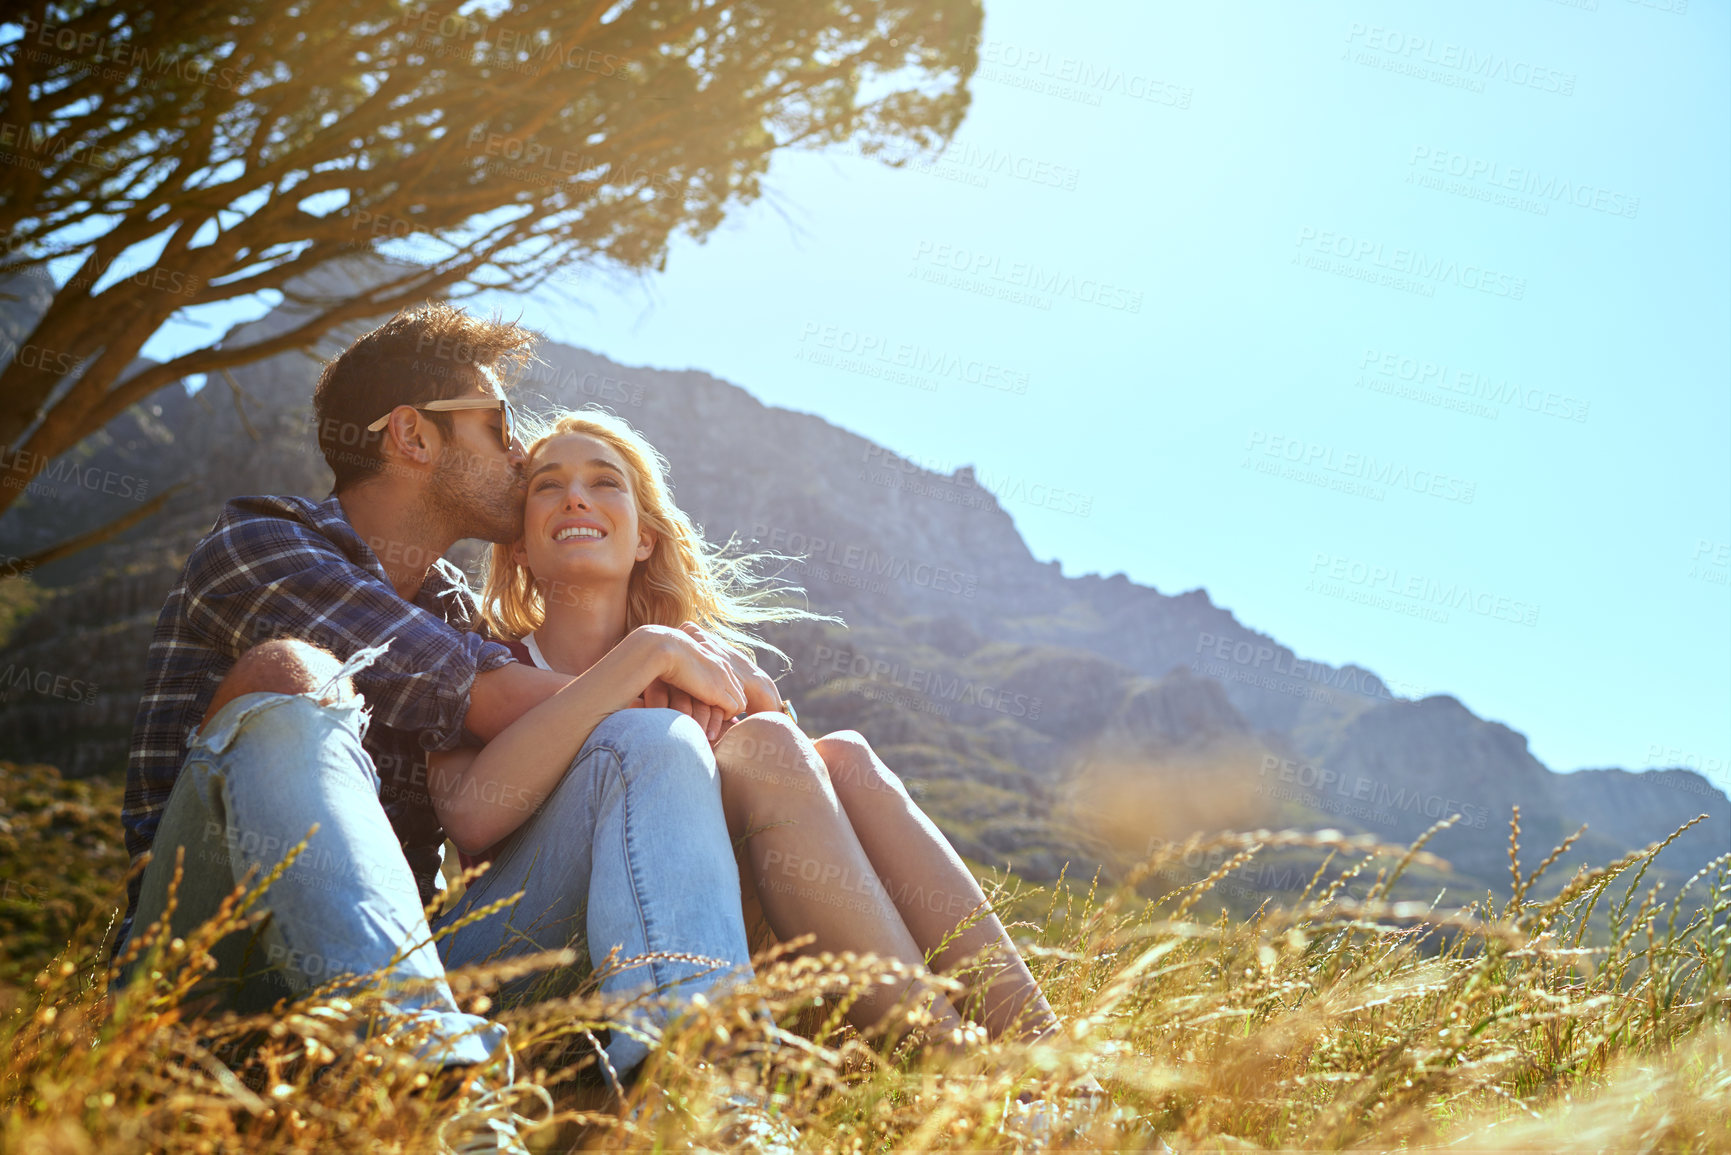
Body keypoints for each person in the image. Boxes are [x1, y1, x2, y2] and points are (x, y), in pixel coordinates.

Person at [111, 305, 769, 1152]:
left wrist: (671, 700)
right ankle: (436, 1098)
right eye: (497, 425)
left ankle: (706, 1097)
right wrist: (653, 660)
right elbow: (488, 697)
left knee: (647, 742)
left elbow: (560, 715)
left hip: (411, 966)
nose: (521, 451)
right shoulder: (263, 542)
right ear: (413, 438)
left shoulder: (456, 610)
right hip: (207, 972)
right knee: (291, 674)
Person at [445, 408, 1069, 1058]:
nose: (575, 494)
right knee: (745, 744)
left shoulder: (701, 670)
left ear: (644, 539)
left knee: (842, 756)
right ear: (518, 545)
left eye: (605, 482)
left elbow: (795, 810)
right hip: (533, 958)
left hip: (704, 943)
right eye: (548, 484)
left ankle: (1057, 1069)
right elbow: (470, 818)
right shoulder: (483, 661)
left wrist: (757, 701)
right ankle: (957, 1067)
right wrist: (645, 658)